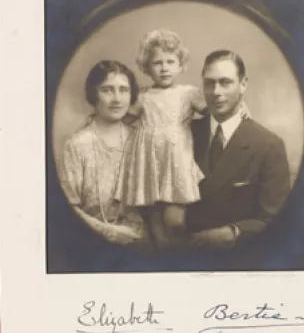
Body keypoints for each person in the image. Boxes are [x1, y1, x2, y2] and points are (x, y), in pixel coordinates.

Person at [114, 30, 249, 251]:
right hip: (148, 163)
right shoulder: (142, 96)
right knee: (154, 217)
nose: (164, 67)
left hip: (176, 162)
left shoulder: (188, 93)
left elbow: (215, 109)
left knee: (175, 221)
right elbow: (123, 118)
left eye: (170, 61)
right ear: (146, 67)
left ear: (180, 65)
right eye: (157, 63)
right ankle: (166, 260)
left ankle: (184, 256)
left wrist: (240, 106)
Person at [164, 50, 291, 251]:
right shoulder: (183, 134)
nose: (216, 92)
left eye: (225, 82)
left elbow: (273, 218)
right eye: (209, 83)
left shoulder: (269, 145)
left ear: (243, 85)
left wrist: (233, 232)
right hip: (181, 254)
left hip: (238, 258)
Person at [59, 60, 148, 249]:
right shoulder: (78, 145)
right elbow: (67, 208)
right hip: (90, 243)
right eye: (107, 90)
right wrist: (108, 232)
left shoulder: (140, 141)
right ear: (93, 94)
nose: (117, 99)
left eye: (123, 90)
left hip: (142, 244)